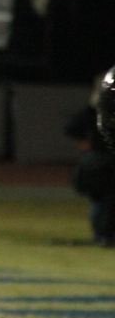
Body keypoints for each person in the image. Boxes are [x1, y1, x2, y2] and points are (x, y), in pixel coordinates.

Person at [66, 67, 115, 246]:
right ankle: (105, 236)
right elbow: (73, 128)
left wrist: (86, 143)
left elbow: (72, 128)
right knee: (106, 200)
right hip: (104, 161)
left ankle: (101, 235)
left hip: (98, 160)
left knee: (100, 201)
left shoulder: (94, 108)